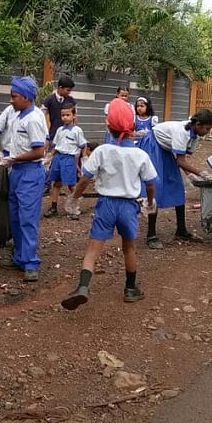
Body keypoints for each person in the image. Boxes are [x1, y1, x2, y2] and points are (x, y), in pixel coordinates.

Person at [61, 98, 158, 309]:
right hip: (128, 206)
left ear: (108, 125)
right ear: (132, 126)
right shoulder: (140, 154)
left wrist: (74, 198)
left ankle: (83, 287)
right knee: (129, 248)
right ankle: (131, 289)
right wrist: (150, 203)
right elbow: (150, 184)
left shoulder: (102, 151)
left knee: (92, 250)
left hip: (105, 205)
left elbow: (85, 178)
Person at [0, 76, 48, 282]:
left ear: (25, 97)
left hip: (30, 172)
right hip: (16, 171)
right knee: (15, 215)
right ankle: (20, 256)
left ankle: (31, 262)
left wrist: (14, 158)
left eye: (14, 96)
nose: (11, 100)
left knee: (28, 218)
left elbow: (39, 151)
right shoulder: (18, 114)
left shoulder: (34, 118)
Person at [139, 111, 212, 249]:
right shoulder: (182, 132)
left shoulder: (195, 136)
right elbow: (180, 161)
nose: (208, 132)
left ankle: (181, 230)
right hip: (153, 145)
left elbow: (181, 159)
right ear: (198, 125)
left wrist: (190, 175)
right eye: (207, 128)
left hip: (166, 151)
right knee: (156, 187)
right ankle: (151, 235)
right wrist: (201, 173)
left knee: (177, 186)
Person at [44, 102, 88, 219]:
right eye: (63, 115)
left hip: (69, 159)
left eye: (68, 115)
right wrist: (49, 157)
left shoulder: (77, 130)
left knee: (71, 184)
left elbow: (83, 145)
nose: (65, 117)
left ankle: (74, 208)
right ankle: (53, 207)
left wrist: (84, 159)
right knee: (56, 183)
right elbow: (55, 145)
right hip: (58, 158)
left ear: (74, 116)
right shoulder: (60, 130)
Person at [41, 74, 76, 142]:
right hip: (53, 135)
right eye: (67, 90)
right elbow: (41, 115)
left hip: (68, 137)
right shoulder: (49, 100)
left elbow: (75, 118)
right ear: (60, 88)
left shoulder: (71, 101)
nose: (69, 92)